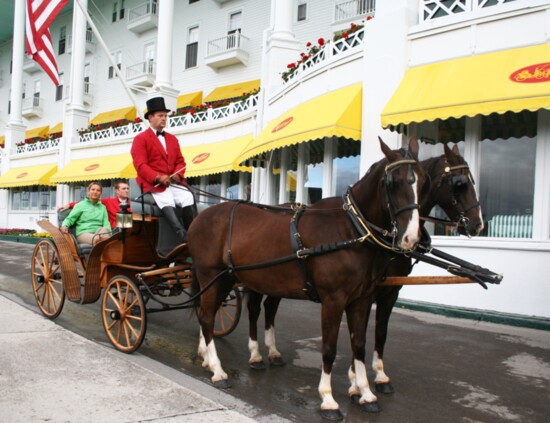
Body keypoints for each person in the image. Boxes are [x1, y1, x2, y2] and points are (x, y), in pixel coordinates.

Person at [131, 97, 194, 243]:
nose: (164, 118)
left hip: (173, 182)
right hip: (154, 185)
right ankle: (183, 237)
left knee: (187, 197)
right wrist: (158, 177)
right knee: (167, 199)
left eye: (165, 116)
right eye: (160, 115)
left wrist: (178, 175)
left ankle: (192, 233)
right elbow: (140, 165)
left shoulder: (173, 139)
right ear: (150, 117)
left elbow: (180, 161)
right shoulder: (140, 139)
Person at [58, 180, 131, 230]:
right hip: (116, 230)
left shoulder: (133, 204)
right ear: (117, 191)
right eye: (124, 188)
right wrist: (69, 205)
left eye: (128, 188)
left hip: (130, 229)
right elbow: (89, 201)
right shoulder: (108, 201)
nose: (126, 190)